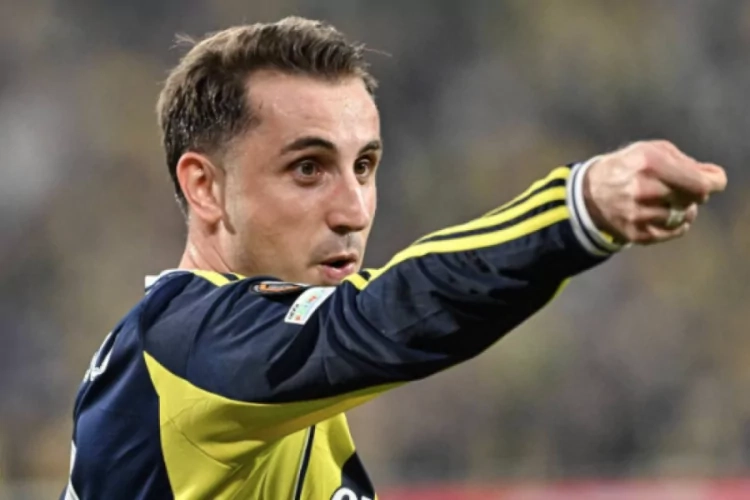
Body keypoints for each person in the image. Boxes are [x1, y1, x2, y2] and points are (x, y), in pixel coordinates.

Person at [62, 16, 727, 500]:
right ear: (205, 187)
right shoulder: (189, 341)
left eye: (365, 166)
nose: (354, 210)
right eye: (307, 168)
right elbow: (385, 316)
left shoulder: (262, 380)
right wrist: (579, 207)